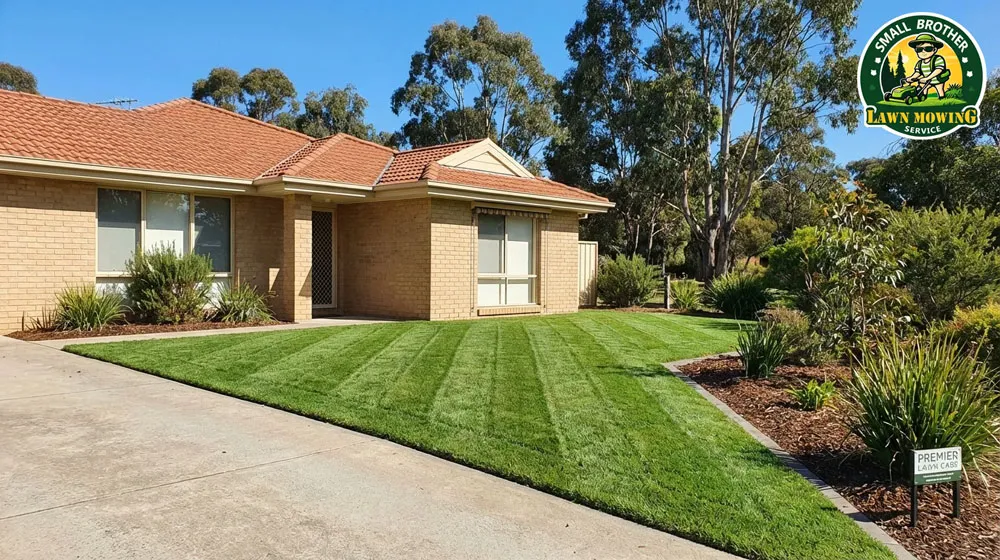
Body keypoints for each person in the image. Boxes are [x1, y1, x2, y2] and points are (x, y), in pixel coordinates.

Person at [903, 33, 951, 100]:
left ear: (934, 50)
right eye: (919, 49)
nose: (923, 52)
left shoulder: (938, 59)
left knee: (940, 89)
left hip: (938, 79)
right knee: (923, 88)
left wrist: (927, 78)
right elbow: (918, 72)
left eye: (928, 49)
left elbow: (938, 70)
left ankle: (942, 98)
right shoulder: (920, 63)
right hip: (926, 80)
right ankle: (923, 98)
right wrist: (911, 78)